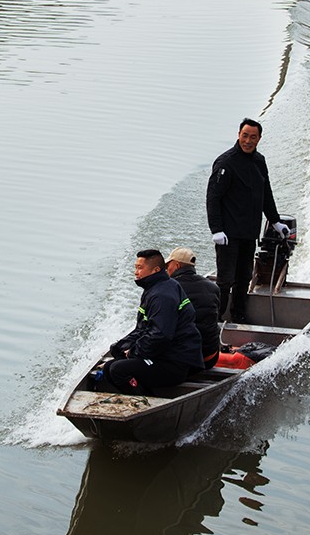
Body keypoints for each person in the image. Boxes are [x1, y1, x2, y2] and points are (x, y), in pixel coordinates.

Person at [206, 117, 289, 324]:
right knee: (225, 280)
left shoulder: (259, 161)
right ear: (238, 135)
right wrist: (216, 229)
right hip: (228, 235)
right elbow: (213, 198)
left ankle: (239, 316)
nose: (248, 141)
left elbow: (265, 194)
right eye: (245, 136)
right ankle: (216, 321)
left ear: (259, 138)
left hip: (249, 232)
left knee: (244, 277)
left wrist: (276, 221)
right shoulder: (225, 163)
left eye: (253, 137)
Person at [104, 249, 204, 394]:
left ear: (155, 270)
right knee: (109, 366)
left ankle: (144, 402)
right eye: (135, 267)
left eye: (140, 268)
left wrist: (133, 352)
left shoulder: (162, 296)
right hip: (164, 354)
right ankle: (141, 395)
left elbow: (160, 335)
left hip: (175, 362)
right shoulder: (154, 288)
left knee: (117, 370)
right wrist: (120, 346)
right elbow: (143, 329)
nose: (136, 272)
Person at [166, 247, 220, 369]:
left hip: (186, 360)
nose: (166, 270)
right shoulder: (213, 287)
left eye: (167, 266)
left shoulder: (169, 289)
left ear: (177, 265)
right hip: (211, 357)